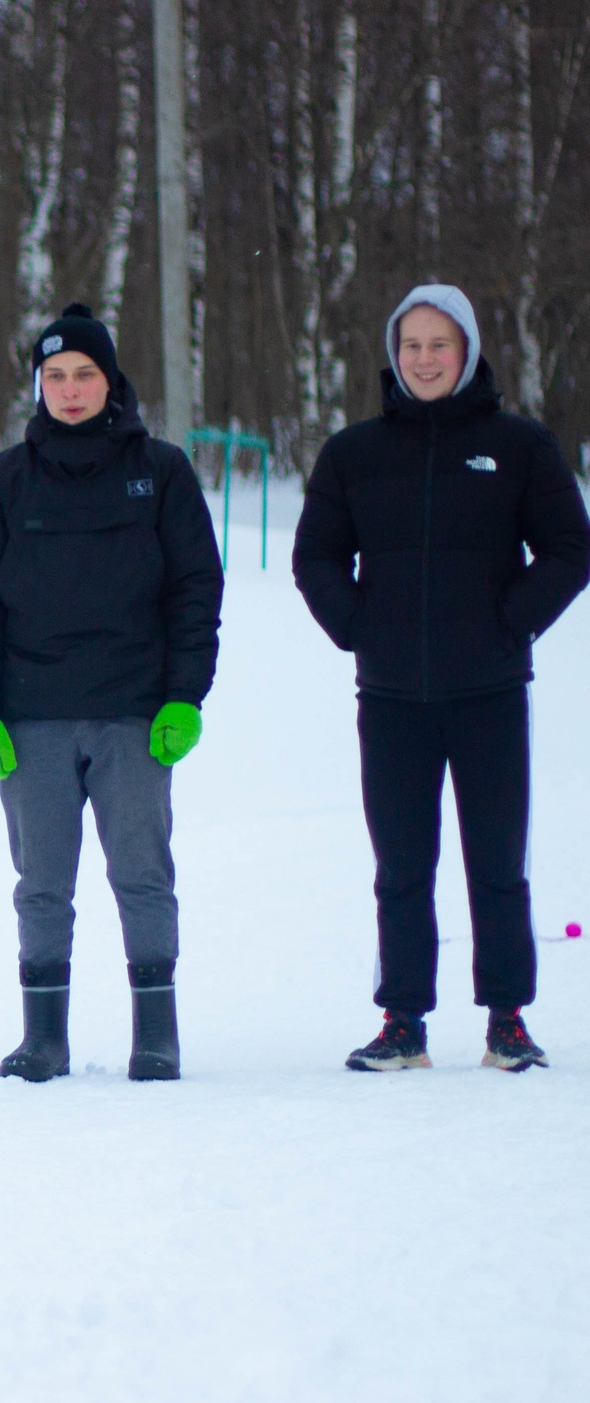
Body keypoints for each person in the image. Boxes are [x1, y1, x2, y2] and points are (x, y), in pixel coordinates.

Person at [293, 283, 588, 1073]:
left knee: (497, 863)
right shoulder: (353, 453)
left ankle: (507, 1020)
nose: (425, 359)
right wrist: (358, 628)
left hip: (489, 692)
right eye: (411, 345)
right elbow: (316, 555)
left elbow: (569, 548)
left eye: (440, 344)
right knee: (401, 866)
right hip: (391, 698)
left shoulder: (519, 446)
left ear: (468, 352)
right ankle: (403, 1022)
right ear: (394, 354)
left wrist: (510, 621)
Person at [0, 303, 225, 1082]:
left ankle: (157, 1035)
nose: (70, 390)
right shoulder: (5, 480)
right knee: (41, 883)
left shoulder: (161, 472)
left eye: (85, 374)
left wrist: (184, 695)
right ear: (39, 386)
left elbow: (194, 589)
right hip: (30, 718)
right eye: (56, 376)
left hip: (134, 714)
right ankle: (45, 1038)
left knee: (141, 873)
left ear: (112, 381)